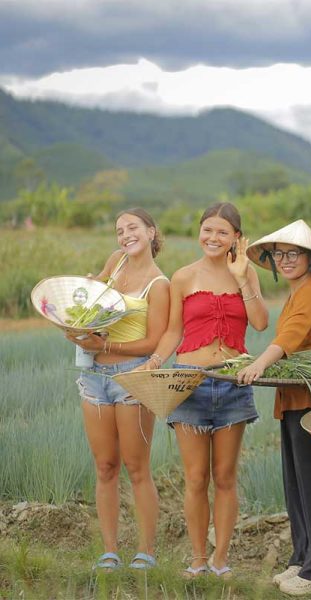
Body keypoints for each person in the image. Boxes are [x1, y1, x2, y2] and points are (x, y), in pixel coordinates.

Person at [142, 202, 268, 578]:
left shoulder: (247, 274)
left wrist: (243, 277)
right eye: (208, 230)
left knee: (225, 476)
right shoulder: (182, 277)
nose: (213, 238)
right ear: (200, 232)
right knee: (196, 477)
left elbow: (260, 323)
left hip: (233, 384)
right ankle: (197, 559)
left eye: (223, 232)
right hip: (190, 384)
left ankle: (220, 560)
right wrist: (155, 361)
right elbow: (173, 331)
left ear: (236, 239)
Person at [237, 219, 311, 596]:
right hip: (294, 399)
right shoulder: (297, 293)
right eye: (279, 254)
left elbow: (288, 338)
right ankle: (301, 558)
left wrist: (258, 364)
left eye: (293, 253)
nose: (285, 260)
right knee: (295, 483)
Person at [66, 208, 169, 571]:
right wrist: (77, 317)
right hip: (94, 376)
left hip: (131, 378)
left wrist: (106, 347)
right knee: (105, 466)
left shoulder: (159, 284)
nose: (125, 235)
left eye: (133, 228)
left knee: (136, 466)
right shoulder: (116, 262)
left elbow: (154, 341)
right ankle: (109, 552)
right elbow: (95, 309)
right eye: (119, 230)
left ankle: (146, 552)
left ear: (151, 232)